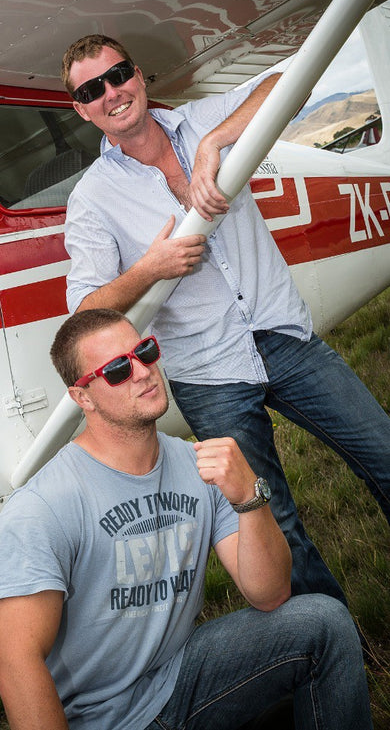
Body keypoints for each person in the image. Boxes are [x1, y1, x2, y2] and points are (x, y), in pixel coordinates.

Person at [61, 33, 390, 606]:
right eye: (92, 89)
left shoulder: (200, 118)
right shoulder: (92, 198)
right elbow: (84, 313)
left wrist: (215, 141)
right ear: (81, 108)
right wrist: (151, 268)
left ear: (139, 75)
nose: (111, 93)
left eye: (118, 76)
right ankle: (339, 655)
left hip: (285, 338)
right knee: (277, 524)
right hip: (209, 376)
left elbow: (288, 83)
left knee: (384, 454)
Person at [0, 308, 372, 730]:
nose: (142, 372)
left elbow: (270, 594)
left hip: (179, 680)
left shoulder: (200, 464)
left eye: (145, 351)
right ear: (83, 397)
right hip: (102, 720)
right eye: (117, 369)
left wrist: (250, 496)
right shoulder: (43, 506)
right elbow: (15, 665)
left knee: (324, 623)